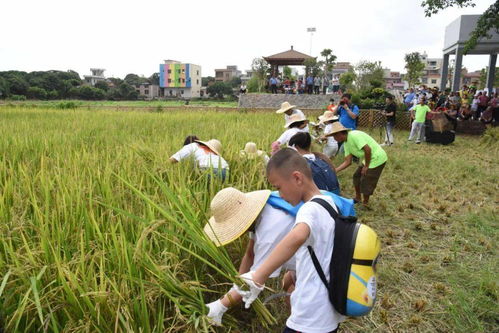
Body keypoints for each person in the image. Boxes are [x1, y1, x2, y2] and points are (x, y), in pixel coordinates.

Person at [235, 148, 344, 333]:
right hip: (328, 307)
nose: (280, 195)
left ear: (297, 178)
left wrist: (258, 276)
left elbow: (297, 236)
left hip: (310, 315)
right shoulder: (328, 202)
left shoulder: (308, 210)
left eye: (278, 187)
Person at [203, 187, 296, 326]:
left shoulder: (269, 232)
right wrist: (237, 285)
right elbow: (250, 254)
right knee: (290, 289)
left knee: (300, 305)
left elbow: (256, 279)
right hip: (310, 252)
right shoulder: (263, 209)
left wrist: (220, 305)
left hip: (328, 258)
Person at [326, 122, 387, 205]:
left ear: (339, 134)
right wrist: (335, 171)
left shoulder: (354, 136)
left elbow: (367, 149)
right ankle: (358, 198)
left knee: (366, 179)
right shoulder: (346, 143)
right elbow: (348, 161)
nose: (334, 138)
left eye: (334, 136)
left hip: (377, 158)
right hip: (368, 158)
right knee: (356, 176)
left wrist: (366, 166)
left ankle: (365, 203)